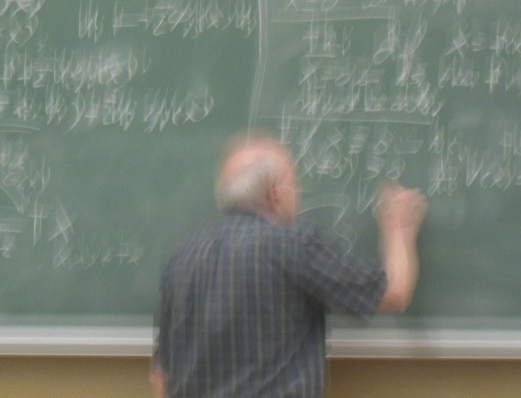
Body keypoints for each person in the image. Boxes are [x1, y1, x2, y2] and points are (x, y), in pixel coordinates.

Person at [151, 133, 428, 398]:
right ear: (275, 193)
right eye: (294, 184)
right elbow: (393, 294)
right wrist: (398, 228)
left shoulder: (181, 257)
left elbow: (161, 375)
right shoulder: (294, 244)